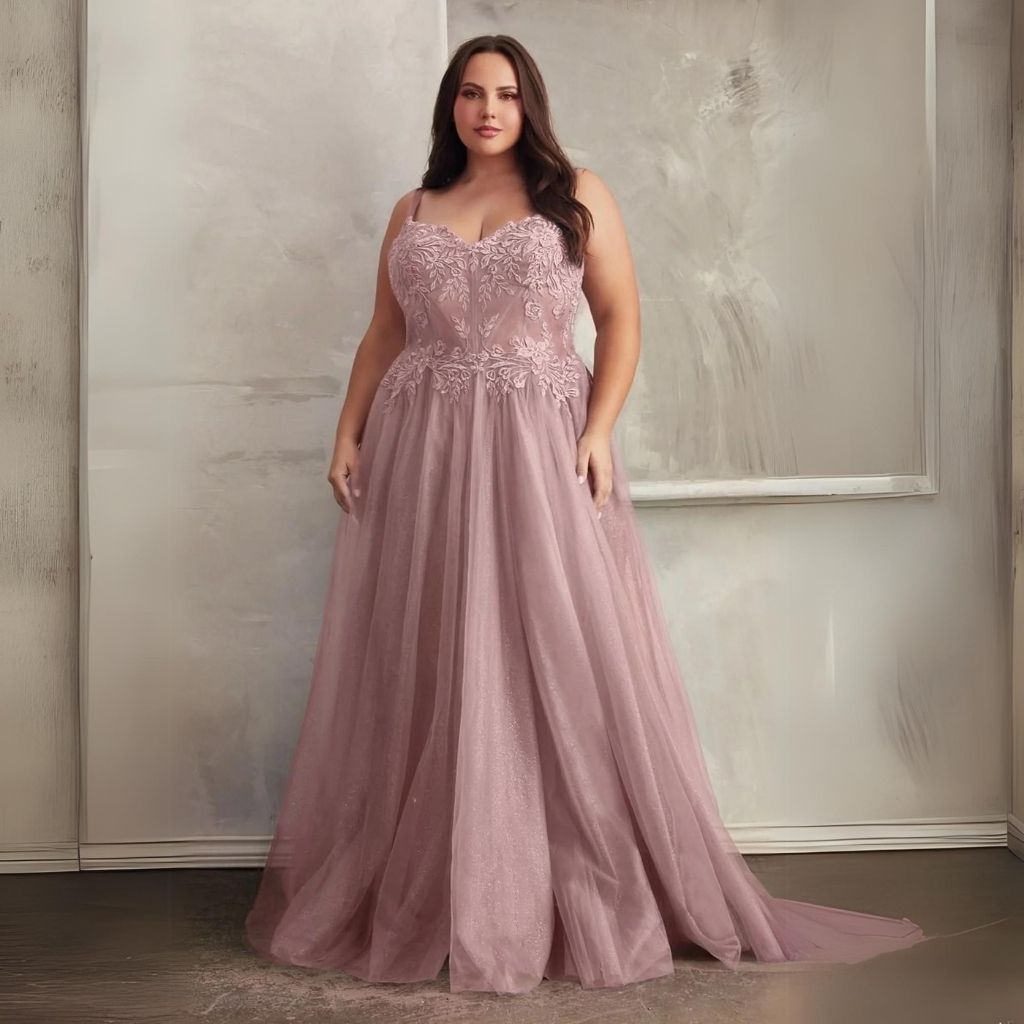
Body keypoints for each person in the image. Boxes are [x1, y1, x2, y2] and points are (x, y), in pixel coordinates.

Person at [244, 33, 927, 994]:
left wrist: (600, 428)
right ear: (450, 105)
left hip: (538, 444)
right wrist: (347, 432)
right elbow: (384, 333)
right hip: (427, 452)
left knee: (557, 646)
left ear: (532, 107)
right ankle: (447, 880)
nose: (489, 110)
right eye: (473, 93)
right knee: (438, 647)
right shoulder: (415, 208)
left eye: (508, 95)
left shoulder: (576, 195)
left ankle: (566, 882)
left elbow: (622, 318)